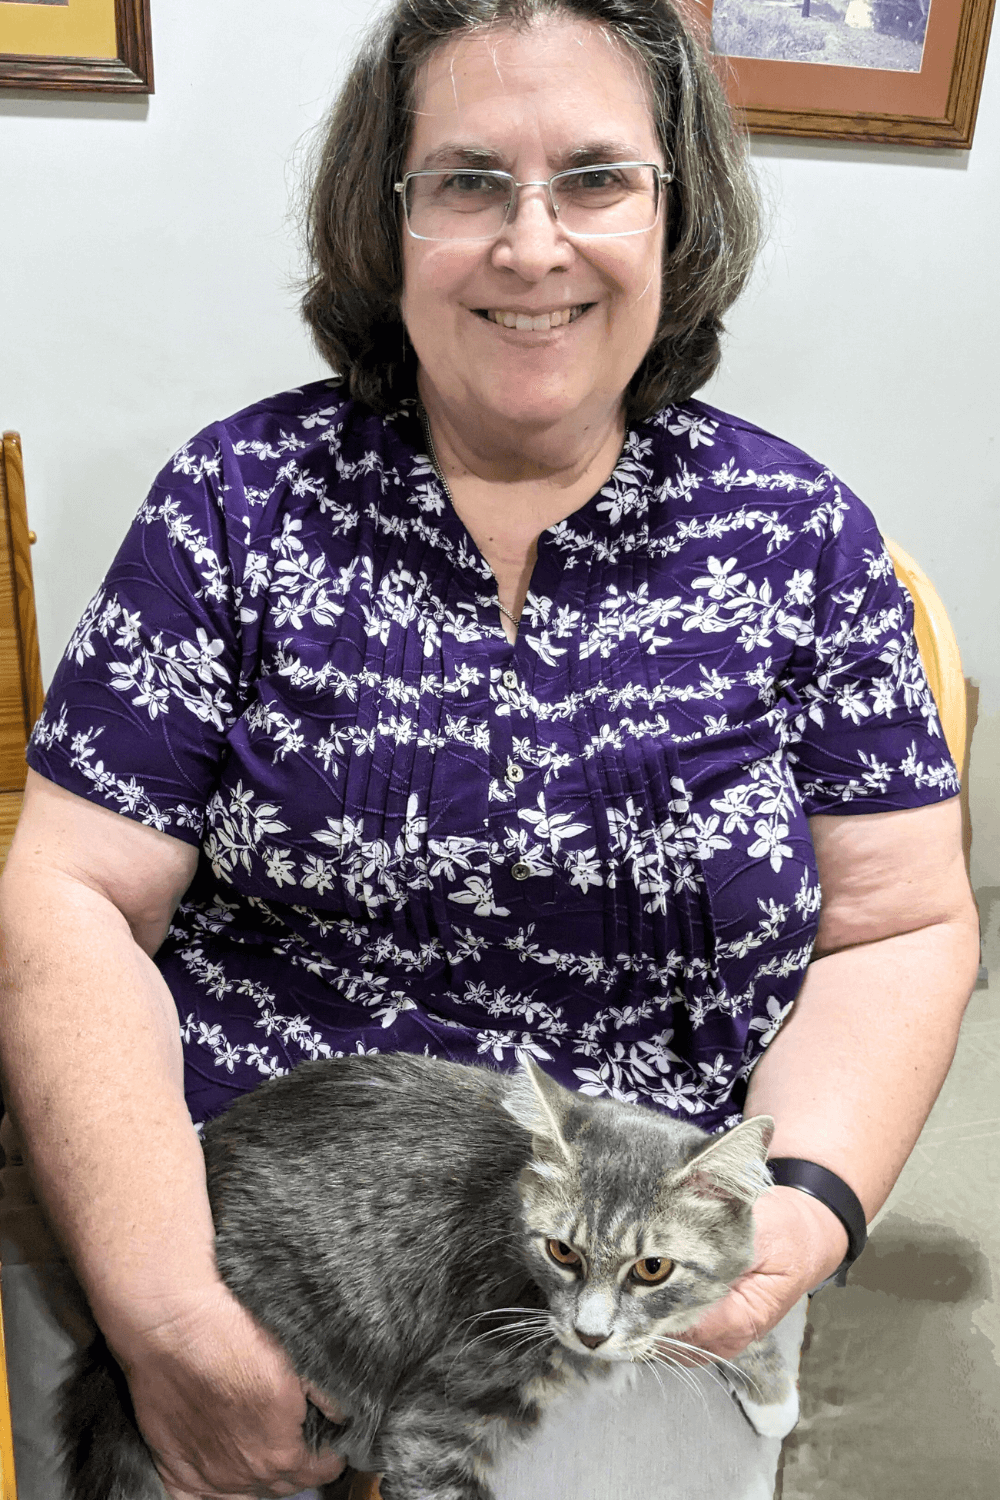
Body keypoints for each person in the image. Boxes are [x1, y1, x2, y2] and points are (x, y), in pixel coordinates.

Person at [0, 0, 979, 1497]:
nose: (534, 246)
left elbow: (899, 925)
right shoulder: (235, 504)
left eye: (595, 178)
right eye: (468, 182)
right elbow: (72, 897)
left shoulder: (803, 542)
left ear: (677, 210)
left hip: (627, 1281)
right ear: (385, 221)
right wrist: (168, 1310)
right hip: (236, 1225)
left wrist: (793, 1228)